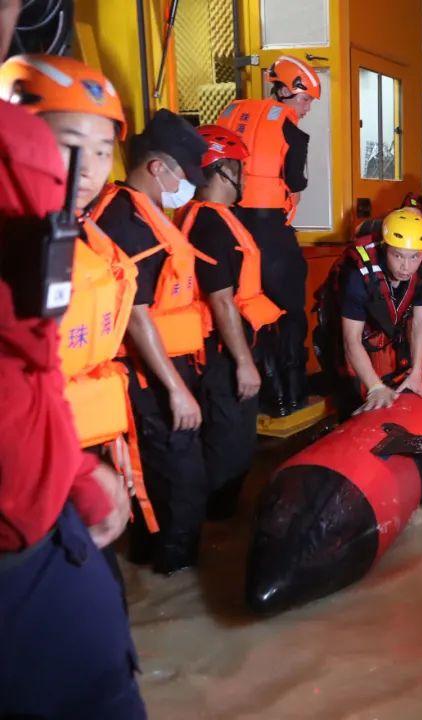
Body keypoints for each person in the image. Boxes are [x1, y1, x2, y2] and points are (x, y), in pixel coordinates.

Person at [0, 44, 144, 720]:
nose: (87, 169)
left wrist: (80, 474)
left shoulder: (62, 242)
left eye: (101, 147)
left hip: (62, 485)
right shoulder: (20, 243)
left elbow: (35, 378)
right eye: (66, 144)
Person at [89, 109, 212, 575]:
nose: (188, 186)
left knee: (171, 477)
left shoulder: (141, 209)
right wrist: (176, 390)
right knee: (178, 482)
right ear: (157, 167)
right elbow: (137, 316)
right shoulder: (125, 218)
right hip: (150, 375)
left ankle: (158, 571)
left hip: (168, 364)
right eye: (183, 174)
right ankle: (174, 579)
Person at [175, 125, 283, 521]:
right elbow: (221, 302)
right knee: (230, 444)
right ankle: (218, 525)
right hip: (222, 355)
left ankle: (214, 521)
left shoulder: (199, 217)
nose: (244, 175)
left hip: (214, 348)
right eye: (239, 167)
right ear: (223, 170)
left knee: (223, 439)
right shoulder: (211, 224)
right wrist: (244, 362)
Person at [218, 54, 320, 417]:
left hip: (229, 228)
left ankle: (261, 395)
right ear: (289, 92)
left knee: (248, 310)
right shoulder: (292, 129)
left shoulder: (231, 113)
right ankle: (289, 397)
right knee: (290, 312)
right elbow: (296, 181)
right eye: (306, 99)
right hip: (271, 234)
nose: (307, 108)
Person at [315, 208, 422, 416]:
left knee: (394, 373)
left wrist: (417, 372)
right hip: (344, 332)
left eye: (414, 257)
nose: (406, 266)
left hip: (383, 333)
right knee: (352, 394)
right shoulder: (357, 275)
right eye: (397, 255)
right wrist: (375, 387)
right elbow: (351, 340)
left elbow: (420, 324)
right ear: (385, 248)